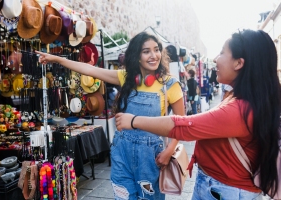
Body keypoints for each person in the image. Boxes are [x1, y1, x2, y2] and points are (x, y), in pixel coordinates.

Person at [115, 29, 281, 200]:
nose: (216, 59)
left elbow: (185, 127)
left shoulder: (240, 109)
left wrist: (134, 120)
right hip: (218, 186)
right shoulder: (239, 97)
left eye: (222, 52)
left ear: (239, 63)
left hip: (223, 190)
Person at [36, 31, 185, 200]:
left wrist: (169, 150)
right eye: (146, 51)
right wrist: (58, 59)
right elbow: (89, 69)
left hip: (151, 157)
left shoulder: (170, 85)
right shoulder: (126, 79)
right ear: (136, 56)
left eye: (156, 50)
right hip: (122, 152)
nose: (154, 55)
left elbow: (182, 124)